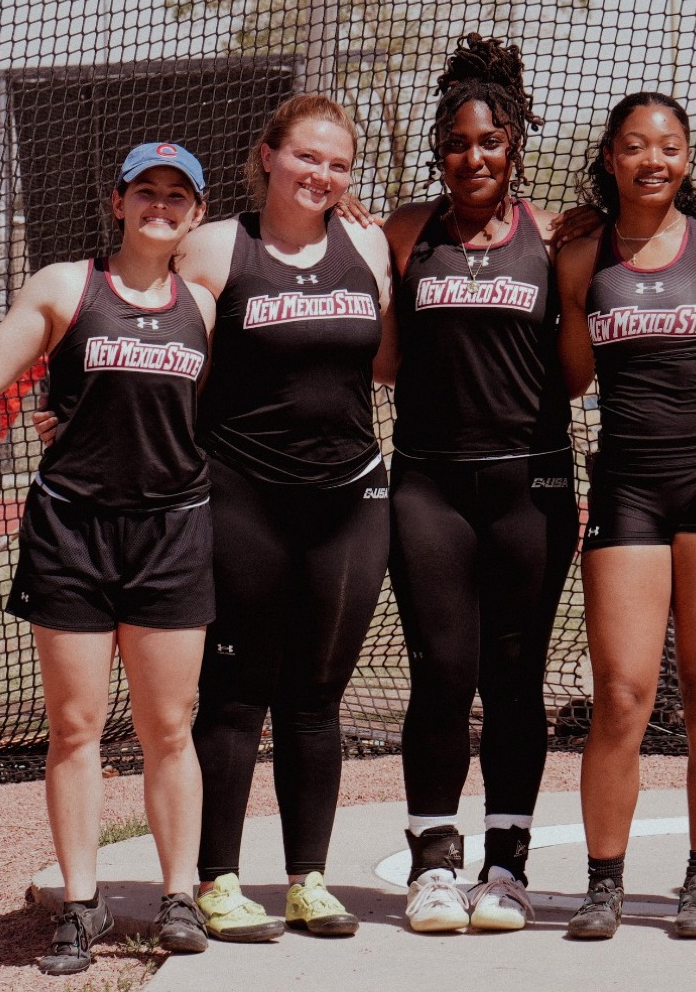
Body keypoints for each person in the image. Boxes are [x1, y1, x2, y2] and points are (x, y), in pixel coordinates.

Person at [0, 144, 218, 974]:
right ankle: (82, 905)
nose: (159, 203)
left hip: (173, 534)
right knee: (76, 727)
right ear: (115, 202)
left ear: (195, 210)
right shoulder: (61, 285)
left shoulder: (206, 306)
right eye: (144, 190)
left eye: (175, 194)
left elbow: (205, 423)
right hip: (73, 530)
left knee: (170, 728)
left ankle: (179, 893)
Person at [553, 91, 696, 939]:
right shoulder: (581, 263)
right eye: (636, 146)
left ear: (687, 159)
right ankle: (603, 883)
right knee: (620, 693)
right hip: (627, 491)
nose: (654, 159)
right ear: (610, 158)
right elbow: (571, 380)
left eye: (670, 145)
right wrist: (553, 253)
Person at [171, 95, 393, 941]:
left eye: (338, 164)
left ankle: (308, 878)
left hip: (349, 499)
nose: (322, 176)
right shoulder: (218, 246)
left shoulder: (367, 244)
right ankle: (218, 879)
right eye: (307, 157)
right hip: (243, 495)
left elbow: (393, 358)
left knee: (317, 694)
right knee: (233, 695)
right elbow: (165, 353)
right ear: (267, 156)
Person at [380, 36, 577, 934]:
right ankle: (433, 864)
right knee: (441, 672)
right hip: (428, 488)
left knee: (514, 676)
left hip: (530, 488)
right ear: (438, 148)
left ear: (515, 147)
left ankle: (507, 867)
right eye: (457, 143)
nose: (473, 157)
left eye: (490, 142)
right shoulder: (400, 234)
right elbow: (379, 361)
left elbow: (576, 371)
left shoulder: (558, 238)